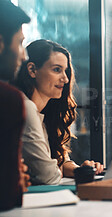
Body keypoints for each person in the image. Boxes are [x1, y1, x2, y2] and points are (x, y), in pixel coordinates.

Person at [13, 39, 104, 185]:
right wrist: (57, 169)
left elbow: (59, 161)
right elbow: (48, 177)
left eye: (65, 71)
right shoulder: (26, 108)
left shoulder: (44, 114)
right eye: (57, 70)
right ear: (32, 70)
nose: (66, 79)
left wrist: (79, 170)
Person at [0, 0, 31, 211]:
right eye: (19, 43)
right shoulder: (8, 100)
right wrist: (16, 180)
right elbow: (8, 196)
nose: (23, 54)